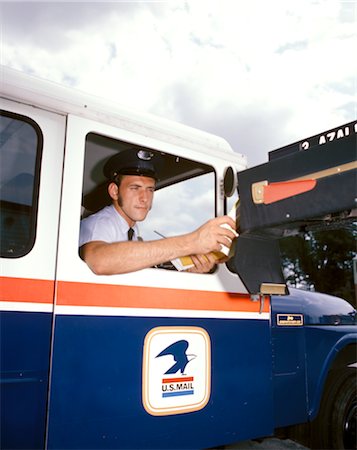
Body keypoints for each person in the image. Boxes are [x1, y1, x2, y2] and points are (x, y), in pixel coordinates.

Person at [79, 149, 237, 275]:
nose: (144, 198)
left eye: (150, 190)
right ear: (114, 191)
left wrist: (191, 270)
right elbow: (99, 261)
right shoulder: (99, 224)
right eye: (135, 188)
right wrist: (192, 242)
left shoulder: (131, 231)